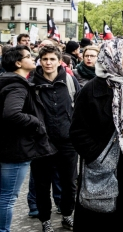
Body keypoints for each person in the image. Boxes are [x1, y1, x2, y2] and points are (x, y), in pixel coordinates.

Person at [70, 39, 123, 231]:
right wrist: (98, 156)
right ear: (113, 59)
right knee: (101, 219)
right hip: (101, 167)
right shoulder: (90, 90)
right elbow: (77, 131)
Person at [0, 46, 55, 232]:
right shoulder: (17, 85)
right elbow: (12, 114)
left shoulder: (6, 81)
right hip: (16, 149)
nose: (33, 59)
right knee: (7, 198)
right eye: (29, 56)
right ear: (18, 63)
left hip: (7, 145)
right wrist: (36, 121)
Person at [29, 45, 81, 232]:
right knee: (42, 184)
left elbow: (79, 107)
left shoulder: (69, 80)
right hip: (41, 143)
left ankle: (67, 214)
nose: (48, 63)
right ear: (40, 61)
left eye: (52, 59)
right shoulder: (32, 82)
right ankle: (45, 219)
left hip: (67, 141)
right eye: (45, 59)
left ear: (60, 61)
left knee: (69, 182)